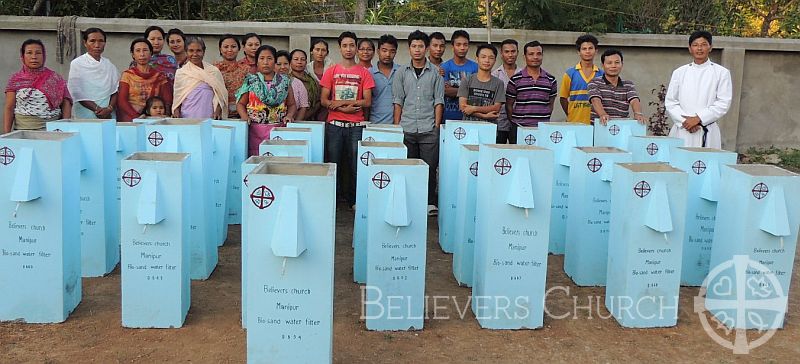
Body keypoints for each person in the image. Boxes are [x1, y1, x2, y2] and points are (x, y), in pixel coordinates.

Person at [319, 31, 374, 208]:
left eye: (352, 45)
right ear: (339, 48)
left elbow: (367, 101)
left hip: (356, 126)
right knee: (333, 163)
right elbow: (324, 100)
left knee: (355, 165)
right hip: (334, 125)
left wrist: (342, 103)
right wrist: (342, 107)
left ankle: (354, 201)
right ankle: (331, 200)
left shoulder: (363, 73)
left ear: (356, 48)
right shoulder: (331, 71)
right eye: (345, 45)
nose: (348, 49)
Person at [393, 30, 444, 215]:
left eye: (421, 46)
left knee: (429, 168)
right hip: (406, 128)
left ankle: (430, 202)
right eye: (414, 46)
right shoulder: (401, 72)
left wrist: (436, 127)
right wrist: (397, 126)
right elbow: (398, 100)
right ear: (409, 48)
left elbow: (439, 100)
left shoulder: (436, 73)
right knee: (409, 167)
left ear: (426, 48)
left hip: (428, 128)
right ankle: (410, 201)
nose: (417, 50)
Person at [665, 30, 732, 148]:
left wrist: (699, 119)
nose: (699, 48)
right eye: (695, 45)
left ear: (710, 47)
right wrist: (686, 122)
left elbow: (723, 103)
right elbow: (671, 101)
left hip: (707, 129)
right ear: (690, 48)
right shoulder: (679, 72)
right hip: (683, 130)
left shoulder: (721, 73)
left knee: (706, 164)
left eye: (703, 44)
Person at [236, 44, 297, 156]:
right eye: (262, 58)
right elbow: (240, 104)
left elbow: (292, 104)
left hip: (278, 131)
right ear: (257, 61)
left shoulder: (284, 81)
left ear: (274, 61)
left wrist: (289, 116)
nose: (265, 62)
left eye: (269, 58)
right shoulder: (251, 81)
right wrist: (244, 117)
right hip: (254, 131)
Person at [4, 39, 72, 133]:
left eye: (38, 53)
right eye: (29, 53)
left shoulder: (55, 78)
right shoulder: (15, 80)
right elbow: (9, 107)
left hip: (53, 131)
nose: (34, 57)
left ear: (44, 56)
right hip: (24, 131)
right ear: (22, 56)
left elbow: (66, 103)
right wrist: (7, 135)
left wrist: (65, 128)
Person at [505, 41, 557, 143]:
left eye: (539, 54)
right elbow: (509, 105)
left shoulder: (551, 80)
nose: (535, 57)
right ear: (524, 57)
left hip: (543, 129)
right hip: (519, 128)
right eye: (531, 54)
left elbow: (550, 104)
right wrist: (517, 121)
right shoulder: (515, 79)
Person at [67, 27, 119, 120]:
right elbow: (76, 92)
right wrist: (97, 109)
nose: (97, 45)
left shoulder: (109, 65)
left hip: (108, 114)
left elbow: (115, 90)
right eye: (92, 41)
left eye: (101, 41)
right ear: (85, 43)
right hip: (85, 113)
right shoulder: (77, 64)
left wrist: (109, 109)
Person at [117, 38, 172, 122]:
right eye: (138, 51)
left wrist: (164, 116)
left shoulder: (160, 76)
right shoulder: (127, 75)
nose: (142, 54)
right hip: (131, 119)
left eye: (145, 50)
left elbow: (167, 100)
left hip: (154, 120)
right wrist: (138, 118)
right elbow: (122, 101)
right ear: (133, 55)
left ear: (151, 53)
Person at [172, 37, 227, 119]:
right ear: (186, 52)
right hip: (187, 115)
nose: (195, 54)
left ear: (204, 52)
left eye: (198, 51)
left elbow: (220, 95)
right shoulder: (181, 73)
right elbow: (178, 97)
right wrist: (176, 111)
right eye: (191, 51)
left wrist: (217, 111)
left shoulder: (213, 71)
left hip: (209, 114)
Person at [587, 49, 646, 125]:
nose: (613, 66)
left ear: (622, 64)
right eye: (609, 63)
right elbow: (595, 100)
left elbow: (634, 100)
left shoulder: (628, 84)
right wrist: (602, 114)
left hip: (622, 128)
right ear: (603, 65)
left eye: (617, 62)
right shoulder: (594, 83)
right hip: (600, 127)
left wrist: (638, 114)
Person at [559, 34, 602, 124]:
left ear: (596, 51)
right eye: (584, 49)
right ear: (579, 52)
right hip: (575, 123)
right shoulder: (570, 73)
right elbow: (563, 98)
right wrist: (571, 114)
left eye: (590, 48)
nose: (587, 51)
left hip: (597, 124)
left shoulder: (602, 75)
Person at [458, 44, 505, 123]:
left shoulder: (499, 83)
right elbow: (463, 107)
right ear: (477, 59)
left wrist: (474, 109)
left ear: (495, 61)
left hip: (490, 128)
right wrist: (484, 116)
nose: (487, 60)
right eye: (483, 57)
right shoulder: (467, 80)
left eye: (491, 58)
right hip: (468, 126)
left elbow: (496, 108)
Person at [441, 30, 478, 121]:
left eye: (465, 45)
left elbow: (476, 92)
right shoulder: (445, 67)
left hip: (470, 117)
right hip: (448, 117)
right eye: (458, 45)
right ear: (452, 46)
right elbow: (445, 91)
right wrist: (468, 90)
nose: (462, 48)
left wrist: (453, 90)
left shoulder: (475, 67)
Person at [491, 38, 521, 143]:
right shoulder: (494, 75)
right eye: (507, 52)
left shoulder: (524, 74)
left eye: (513, 51)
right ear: (501, 53)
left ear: (518, 52)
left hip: (519, 123)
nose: (510, 55)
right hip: (499, 122)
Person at [214, 34, 249, 119]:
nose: (229, 50)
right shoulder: (214, 69)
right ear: (220, 49)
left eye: (233, 46)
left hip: (242, 115)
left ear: (239, 49)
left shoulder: (246, 70)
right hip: (219, 115)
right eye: (226, 47)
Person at [369, 34, 399, 124]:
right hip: (374, 123)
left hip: (398, 124)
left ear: (396, 52)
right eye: (384, 50)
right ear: (378, 51)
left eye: (392, 51)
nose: (388, 55)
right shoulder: (369, 73)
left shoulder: (402, 72)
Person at [276, 50, 309, 121]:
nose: (282, 67)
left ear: (290, 64)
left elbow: (303, 107)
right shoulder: (267, 83)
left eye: (286, 64)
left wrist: (294, 124)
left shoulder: (297, 83)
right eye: (278, 64)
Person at [289, 49, 321, 121]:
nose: (299, 62)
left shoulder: (313, 82)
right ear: (290, 62)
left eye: (302, 59)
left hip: (310, 120)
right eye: (296, 59)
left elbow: (318, 102)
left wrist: (307, 114)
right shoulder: (286, 81)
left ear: (306, 62)